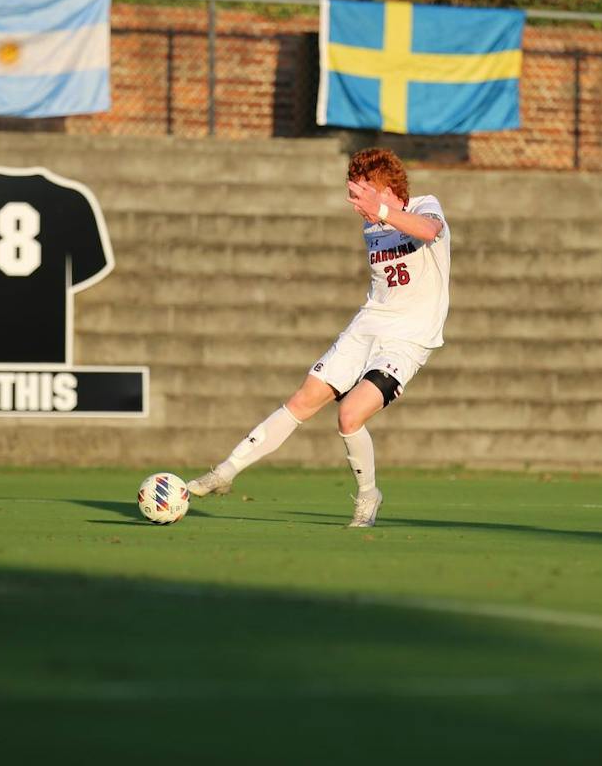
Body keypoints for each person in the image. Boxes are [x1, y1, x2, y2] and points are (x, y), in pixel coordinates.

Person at [184, 148, 450, 527]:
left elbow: (429, 231)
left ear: (384, 188)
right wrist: (376, 211)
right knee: (302, 400)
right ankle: (224, 472)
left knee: (349, 415)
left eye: (359, 195)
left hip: (408, 338)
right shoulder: (371, 226)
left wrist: (380, 209)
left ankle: (368, 495)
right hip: (367, 327)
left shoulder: (425, 205)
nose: (355, 205)